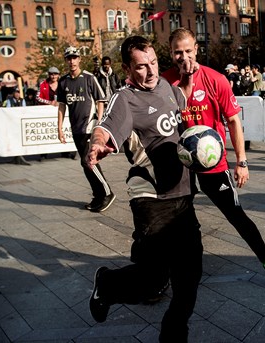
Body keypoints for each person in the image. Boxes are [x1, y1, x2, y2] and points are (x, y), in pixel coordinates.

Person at [86, 35, 202, 342]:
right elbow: (107, 125)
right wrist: (98, 144)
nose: (150, 72)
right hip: (150, 195)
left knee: (189, 277)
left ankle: (172, 336)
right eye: (141, 67)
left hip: (182, 193)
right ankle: (108, 284)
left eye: (153, 63)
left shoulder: (168, 88)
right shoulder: (125, 98)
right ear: (127, 69)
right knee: (154, 279)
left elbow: (180, 117)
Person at [162, 27, 265, 289]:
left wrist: (241, 161)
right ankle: (166, 275)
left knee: (236, 215)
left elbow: (233, 121)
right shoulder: (165, 83)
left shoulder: (216, 79)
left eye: (188, 51)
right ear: (171, 54)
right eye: (177, 52)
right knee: (173, 221)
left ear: (196, 49)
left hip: (212, 164)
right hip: (181, 166)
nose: (184, 57)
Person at [57, 46, 115, 212]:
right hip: (76, 129)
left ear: (79, 59)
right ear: (66, 60)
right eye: (69, 58)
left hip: (89, 127)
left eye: (74, 57)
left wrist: (99, 122)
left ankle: (107, 193)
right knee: (86, 164)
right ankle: (98, 196)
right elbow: (61, 107)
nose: (72, 61)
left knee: (88, 161)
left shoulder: (89, 78)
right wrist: (59, 128)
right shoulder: (63, 81)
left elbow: (101, 100)